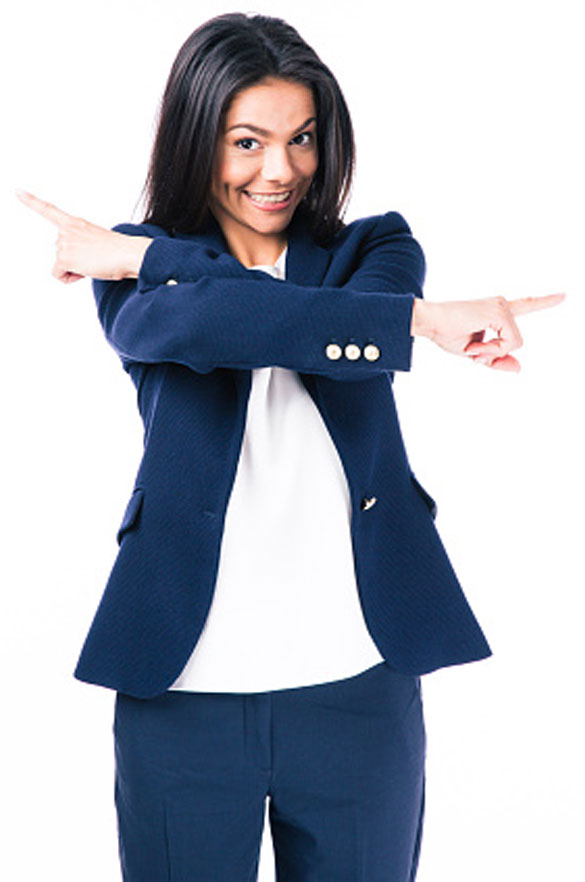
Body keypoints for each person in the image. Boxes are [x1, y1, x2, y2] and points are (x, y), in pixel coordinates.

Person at [17, 11, 564, 882]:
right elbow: (208, 323)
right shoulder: (142, 267)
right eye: (247, 142)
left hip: (358, 687)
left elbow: (332, 332)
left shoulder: (373, 248)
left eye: (300, 138)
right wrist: (416, 324)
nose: (279, 170)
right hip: (182, 694)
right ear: (196, 139)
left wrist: (397, 316)